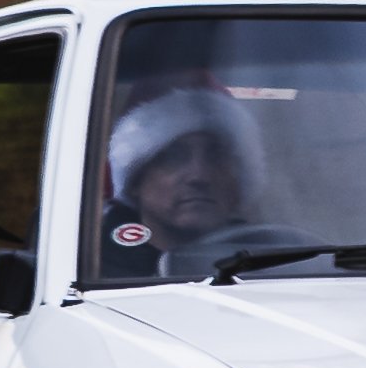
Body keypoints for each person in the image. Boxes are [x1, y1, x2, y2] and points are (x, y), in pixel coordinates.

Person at [102, 87, 266, 270]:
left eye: (216, 157)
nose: (199, 176)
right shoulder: (95, 268)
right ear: (135, 181)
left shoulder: (271, 261)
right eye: (174, 158)